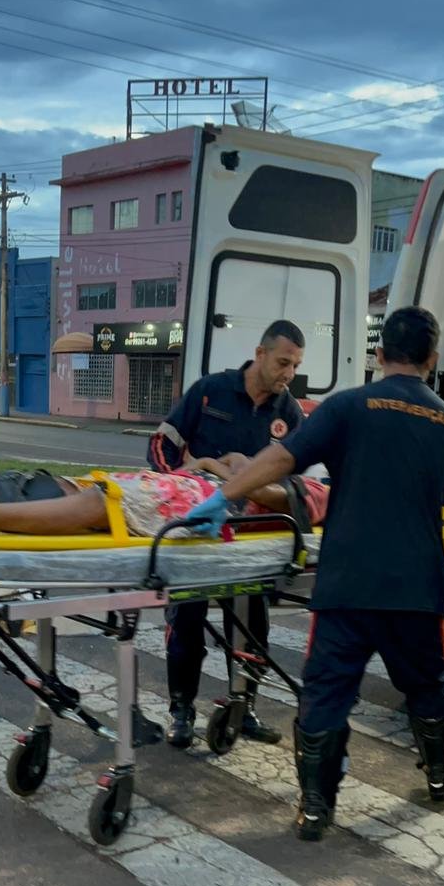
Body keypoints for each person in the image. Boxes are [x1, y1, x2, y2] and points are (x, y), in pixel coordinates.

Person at [180, 306, 444, 839]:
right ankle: (439, 774)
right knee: (428, 687)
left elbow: (281, 458)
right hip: (416, 588)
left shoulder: (346, 407)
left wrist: (224, 496)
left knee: (326, 693)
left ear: (379, 354)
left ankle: (315, 807)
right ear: (432, 359)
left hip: (346, 584)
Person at [148, 319, 306, 749]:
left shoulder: (288, 414)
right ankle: (182, 710)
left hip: (250, 537)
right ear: (260, 354)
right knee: (187, 622)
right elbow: (161, 445)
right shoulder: (210, 392)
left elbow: (294, 481)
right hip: (198, 530)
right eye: (283, 362)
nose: (289, 373)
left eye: (295, 365)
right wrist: (181, 482)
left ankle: (244, 707)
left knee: (253, 625)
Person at [0, 448, 328, 545]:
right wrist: (227, 465)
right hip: (192, 490)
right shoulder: (309, 480)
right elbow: (240, 465)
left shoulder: (322, 495)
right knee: (82, 489)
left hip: (204, 507)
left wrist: (228, 470)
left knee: (104, 504)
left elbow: (267, 493)